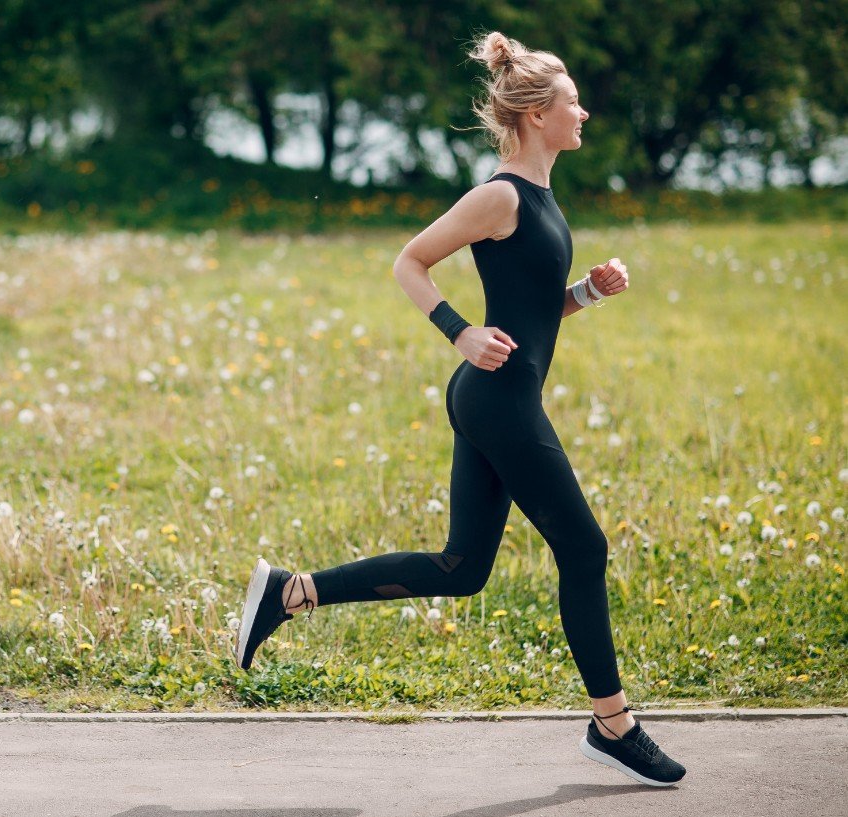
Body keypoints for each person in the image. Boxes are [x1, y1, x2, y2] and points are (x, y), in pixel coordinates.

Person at [234, 30, 686, 787]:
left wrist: (586, 293)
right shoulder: (499, 194)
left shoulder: (540, 197)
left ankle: (289, 590)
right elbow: (409, 260)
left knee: (462, 567)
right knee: (585, 547)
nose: (585, 114)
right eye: (574, 103)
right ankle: (614, 724)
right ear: (538, 114)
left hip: (498, 394)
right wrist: (459, 332)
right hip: (497, 402)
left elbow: (532, 311)